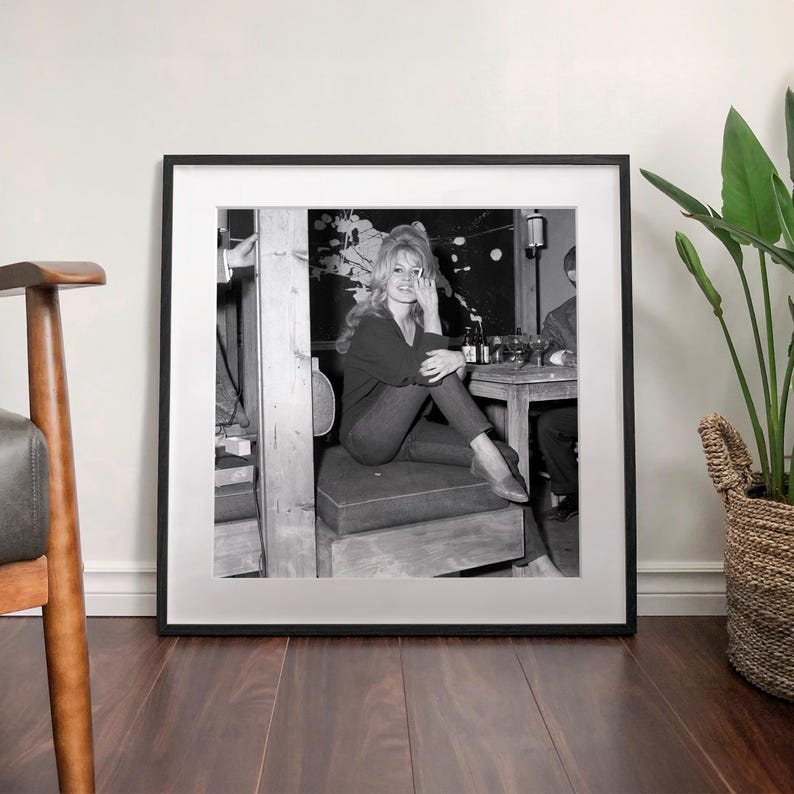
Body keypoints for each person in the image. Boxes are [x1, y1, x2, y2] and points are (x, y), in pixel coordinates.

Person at [336, 224, 528, 503]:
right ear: (383, 275)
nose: (405, 279)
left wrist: (459, 357)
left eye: (415, 272)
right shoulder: (373, 325)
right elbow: (426, 373)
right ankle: (487, 455)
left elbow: (448, 385)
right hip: (366, 437)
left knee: (508, 456)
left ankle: (534, 547)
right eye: (397, 270)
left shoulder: (423, 325)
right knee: (432, 366)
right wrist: (433, 310)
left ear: (426, 279)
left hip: (409, 433)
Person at [537, 245, 579, 522]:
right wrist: (563, 357)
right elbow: (539, 350)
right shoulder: (559, 317)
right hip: (587, 407)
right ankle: (574, 494)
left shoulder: (628, 307)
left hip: (632, 403)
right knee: (549, 425)